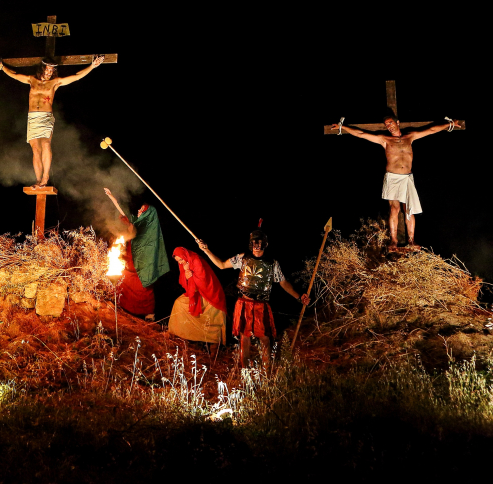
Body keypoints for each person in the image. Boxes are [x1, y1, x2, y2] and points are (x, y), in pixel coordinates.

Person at [331, 114, 462, 251]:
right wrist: (343, 127)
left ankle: (411, 240)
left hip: (407, 178)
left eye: (391, 123)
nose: (389, 126)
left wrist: (449, 124)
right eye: (387, 125)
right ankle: (393, 241)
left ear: (397, 122)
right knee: (394, 209)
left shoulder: (410, 136)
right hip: (392, 178)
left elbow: (431, 130)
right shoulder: (385, 139)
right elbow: (361, 133)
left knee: (409, 210)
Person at [197, 228, 308, 367]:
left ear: (264, 244)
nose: (256, 247)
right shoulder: (242, 258)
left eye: (259, 243)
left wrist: (299, 297)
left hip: (261, 304)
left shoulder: (272, 263)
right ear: (251, 244)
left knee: (265, 339)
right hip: (244, 302)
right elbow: (221, 265)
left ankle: (267, 371)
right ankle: (245, 372)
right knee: (244, 338)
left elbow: (283, 283)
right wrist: (205, 250)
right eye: (254, 243)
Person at [0, 56, 104, 189]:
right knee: (35, 148)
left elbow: (76, 76)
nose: (49, 72)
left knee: (45, 143)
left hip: (45, 116)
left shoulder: (55, 82)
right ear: (42, 68)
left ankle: (45, 177)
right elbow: (15, 74)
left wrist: (92, 66)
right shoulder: (31, 79)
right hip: (33, 117)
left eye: (52, 70)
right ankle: (38, 180)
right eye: (48, 69)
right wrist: (2, 67)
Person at [104, 188, 170, 321]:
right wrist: (113, 198)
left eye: (142, 210)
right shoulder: (137, 223)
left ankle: (149, 314)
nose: (139, 211)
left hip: (142, 265)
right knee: (123, 281)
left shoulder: (150, 229)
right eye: (140, 209)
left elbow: (134, 230)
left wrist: (129, 224)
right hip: (130, 260)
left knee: (144, 287)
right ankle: (122, 308)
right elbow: (125, 216)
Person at [167, 247, 227, 352]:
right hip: (195, 291)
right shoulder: (183, 263)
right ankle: (179, 334)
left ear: (185, 255)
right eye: (178, 261)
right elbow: (182, 280)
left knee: (211, 312)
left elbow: (203, 280)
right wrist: (186, 275)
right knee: (179, 303)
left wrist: (189, 274)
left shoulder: (195, 260)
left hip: (209, 292)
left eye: (181, 259)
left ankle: (214, 342)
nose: (180, 262)